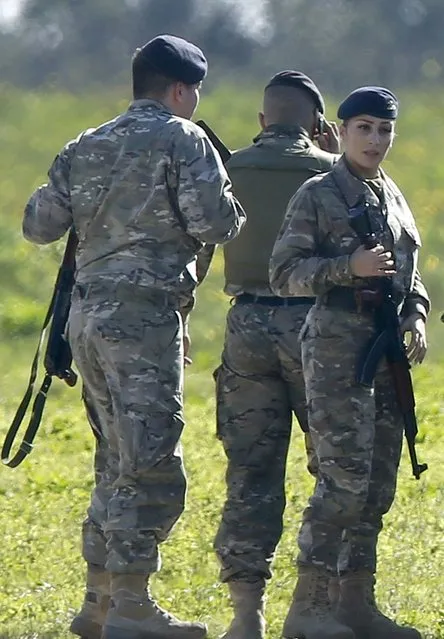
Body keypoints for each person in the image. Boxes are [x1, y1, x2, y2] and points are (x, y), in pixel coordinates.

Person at [22, 34, 246, 639]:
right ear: (180, 89)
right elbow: (215, 223)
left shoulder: (86, 142)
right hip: (143, 321)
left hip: (88, 319)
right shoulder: (184, 137)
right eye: (193, 92)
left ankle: (98, 604)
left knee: (113, 458)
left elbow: (39, 225)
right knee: (150, 462)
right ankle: (131, 607)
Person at [270, 86, 429, 639]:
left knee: (377, 482)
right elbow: (284, 273)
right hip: (337, 348)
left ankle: (354, 603)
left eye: (384, 130)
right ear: (340, 133)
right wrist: (347, 266)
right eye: (363, 128)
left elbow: (411, 276)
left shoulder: (394, 195)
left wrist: (417, 316)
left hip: (386, 352)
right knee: (341, 479)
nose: (375, 140)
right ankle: (308, 609)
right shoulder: (318, 194)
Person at [213, 70, 340, 639]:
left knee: (251, 472)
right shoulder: (331, 175)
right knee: (333, 468)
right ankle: (316, 604)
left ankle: (246, 613)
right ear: (318, 124)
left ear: (263, 121)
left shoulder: (228, 168)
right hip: (315, 325)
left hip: (245, 326)